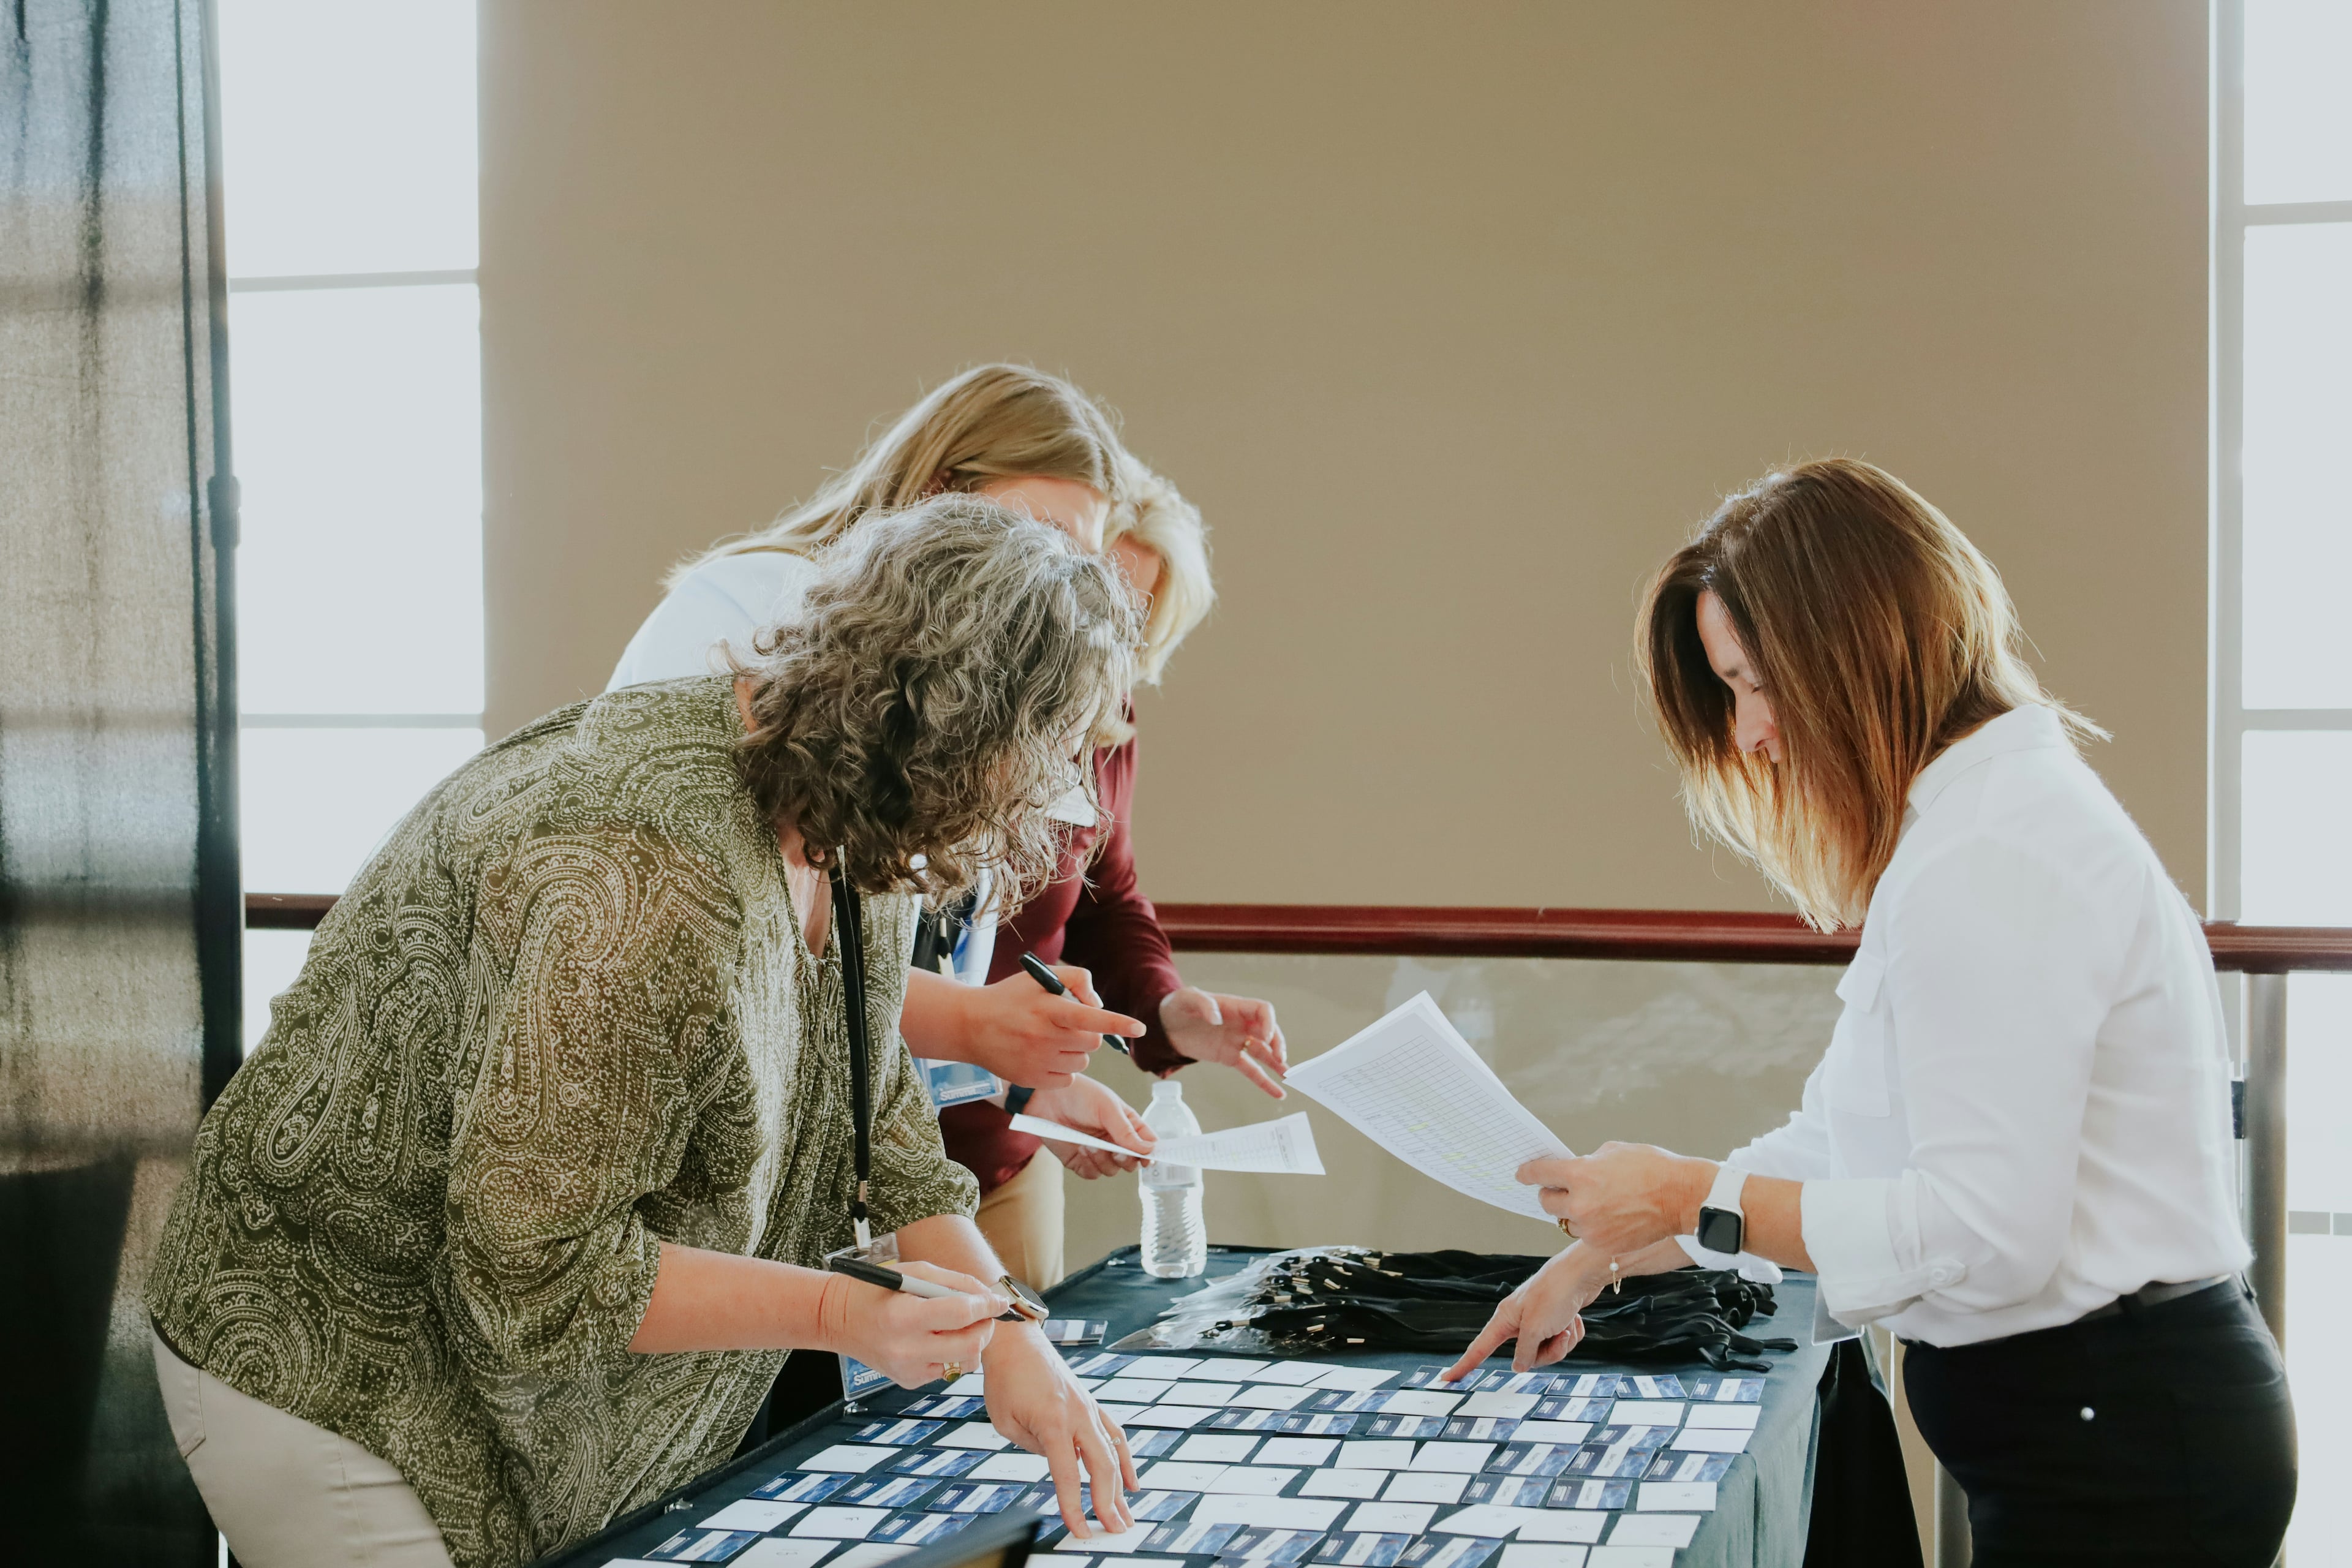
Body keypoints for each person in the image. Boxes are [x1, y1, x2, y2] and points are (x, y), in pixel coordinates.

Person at [146, 500, 1145, 1568]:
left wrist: (1006, 1327)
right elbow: (536, 1269)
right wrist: (846, 1314)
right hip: (342, 1363)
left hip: (502, 1373)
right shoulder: (647, 872)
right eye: (1048, 748)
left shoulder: (850, 812)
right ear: (962, 731)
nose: (1060, 796)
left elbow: (876, 1109)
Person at [1449, 459, 2295, 1565]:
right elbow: (1848, 1145)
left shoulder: (1991, 852)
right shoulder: (1968, 828)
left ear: (1851, 649)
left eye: (1753, 683)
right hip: (2104, 1430)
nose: (1748, 733)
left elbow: (1984, 1236)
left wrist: (1686, 1191)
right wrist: (1627, 1241)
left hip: (2120, 1451)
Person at [609, 364, 1287, 1287]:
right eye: (1041, 536)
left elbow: (900, 963)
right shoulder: (756, 614)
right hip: (717, 1170)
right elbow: (740, 946)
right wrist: (974, 1028)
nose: (1059, 585)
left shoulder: (969, 684)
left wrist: (1014, 1073)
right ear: (939, 495)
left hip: (893, 1149)